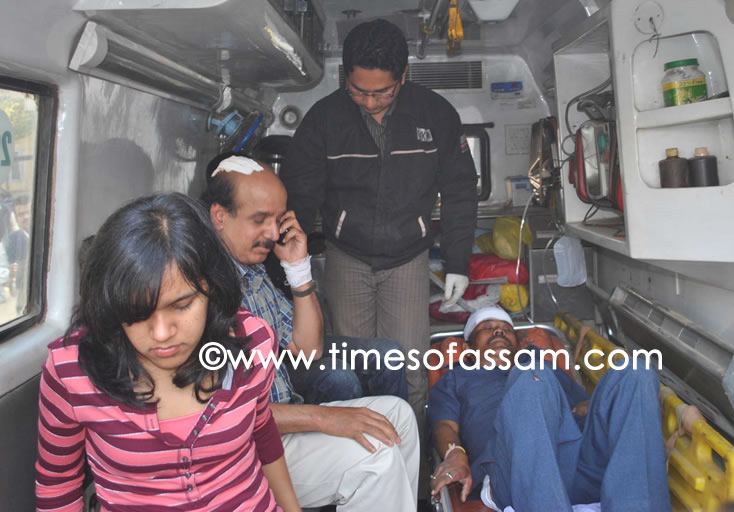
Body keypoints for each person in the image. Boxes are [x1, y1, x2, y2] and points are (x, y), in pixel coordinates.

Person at [35, 193, 301, 511]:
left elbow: (262, 430)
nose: (161, 334)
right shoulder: (71, 370)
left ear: (212, 289)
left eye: (182, 305)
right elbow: (58, 484)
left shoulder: (253, 343)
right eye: (137, 312)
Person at [281, 18, 479, 422]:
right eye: (358, 91)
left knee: (409, 369)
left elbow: (460, 190)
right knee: (352, 369)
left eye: (382, 92)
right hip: (346, 255)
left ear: (403, 75)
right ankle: (360, 456)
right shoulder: (324, 119)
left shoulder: (436, 114)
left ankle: (412, 455)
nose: (370, 102)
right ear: (345, 76)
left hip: (408, 257)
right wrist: (285, 267)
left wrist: (458, 262)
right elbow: (299, 197)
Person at [202, 154, 420, 510]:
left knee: (399, 417)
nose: (272, 234)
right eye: (259, 220)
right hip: (244, 451)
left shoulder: (252, 272)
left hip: (280, 425)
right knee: (376, 457)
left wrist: (298, 268)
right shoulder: (203, 292)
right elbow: (224, 413)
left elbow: (308, 349)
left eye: (277, 220)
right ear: (220, 216)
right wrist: (323, 417)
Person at [429, 306, 670, 512]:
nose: (499, 331)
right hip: (515, 471)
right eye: (487, 328)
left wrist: (605, 406)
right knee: (530, 376)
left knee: (636, 371)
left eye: (506, 329)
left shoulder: (543, 366)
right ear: (468, 348)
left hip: (577, 463)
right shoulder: (456, 379)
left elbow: (582, 407)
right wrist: (455, 453)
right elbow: (444, 425)